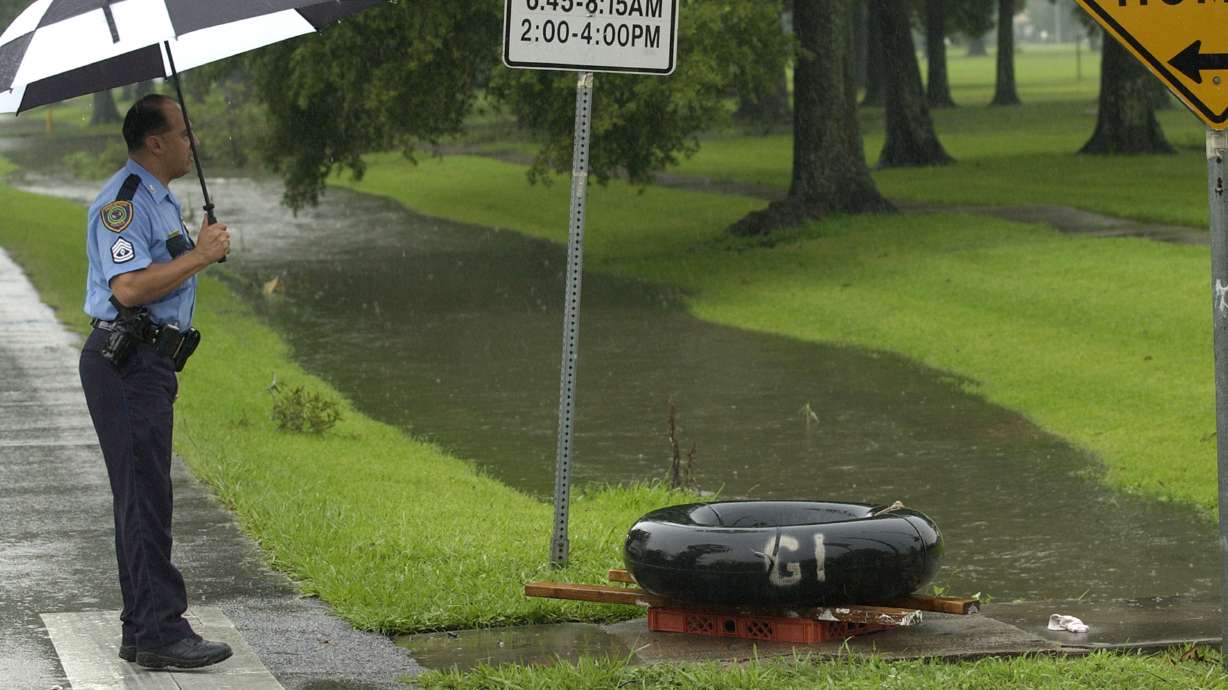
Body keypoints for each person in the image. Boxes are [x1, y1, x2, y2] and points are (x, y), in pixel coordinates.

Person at [78, 94, 232, 670]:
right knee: (145, 499)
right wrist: (201, 256)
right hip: (124, 360)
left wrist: (163, 362)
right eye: (184, 133)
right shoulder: (124, 204)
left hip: (147, 363)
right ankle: (161, 632)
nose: (193, 142)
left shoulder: (163, 202)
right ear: (156, 142)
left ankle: (142, 628)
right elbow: (129, 289)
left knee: (145, 497)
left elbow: (159, 290)